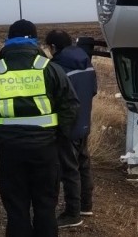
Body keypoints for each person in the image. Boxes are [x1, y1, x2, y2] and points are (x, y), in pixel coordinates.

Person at [0, 20, 79, 237]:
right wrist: (58, 137)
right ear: (36, 41)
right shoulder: (51, 69)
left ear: (8, 40)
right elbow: (71, 105)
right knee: (45, 207)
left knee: (16, 210)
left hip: (10, 150)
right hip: (45, 149)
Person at [44, 30, 97, 229]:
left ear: (54, 47)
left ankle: (73, 213)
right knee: (83, 164)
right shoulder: (86, 62)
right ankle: (86, 205)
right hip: (84, 122)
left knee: (69, 170)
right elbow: (93, 90)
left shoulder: (57, 68)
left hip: (67, 126)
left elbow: (53, 99)